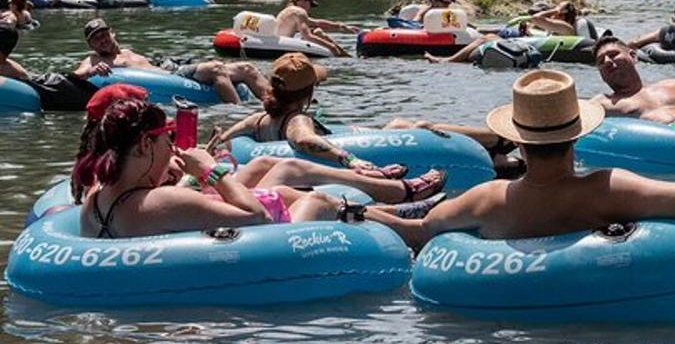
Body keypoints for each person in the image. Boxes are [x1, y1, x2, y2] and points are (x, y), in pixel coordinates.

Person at [385, 70, 675, 249]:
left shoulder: (486, 198)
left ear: (519, 142)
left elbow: (420, 230)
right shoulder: (606, 188)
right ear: (576, 135)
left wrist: (354, 212)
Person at [71, 96, 430, 239]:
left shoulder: (95, 202)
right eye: (168, 138)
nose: (173, 146)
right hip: (266, 254)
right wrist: (210, 170)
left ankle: (397, 212)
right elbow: (255, 217)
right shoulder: (160, 201)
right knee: (318, 202)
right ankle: (414, 230)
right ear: (146, 145)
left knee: (284, 192)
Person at [216, 53, 449, 196]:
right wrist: (349, 158)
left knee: (397, 124)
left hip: (276, 170)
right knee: (401, 125)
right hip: (314, 179)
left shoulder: (257, 121)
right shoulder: (297, 119)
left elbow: (222, 140)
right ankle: (481, 136)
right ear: (308, 94)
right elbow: (303, 139)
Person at [73, 18, 267, 104]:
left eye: (104, 34)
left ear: (112, 32)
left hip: (173, 71)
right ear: (91, 45)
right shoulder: (94, 58)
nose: (103, 40)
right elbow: (75, 76)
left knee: (247, 68)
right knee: (216, 68)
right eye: (96, 38)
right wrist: (92, 70)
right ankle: (236, 113)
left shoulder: (127, 51)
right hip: (174, 78)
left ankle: (279, 105)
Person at [274, 0, 357, 57]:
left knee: (317, 30)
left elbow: (317, 23)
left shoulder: (290, 11)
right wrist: (332, 47)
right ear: (303, 0)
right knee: (317, 32)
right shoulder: (299, 12)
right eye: (310, 3)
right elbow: (307, 36)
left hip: (278, 44)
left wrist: (341, 26)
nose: (309, 6)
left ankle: (345, 55)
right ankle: (345, 56)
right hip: (280, 48)